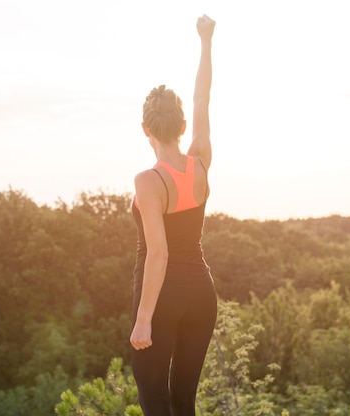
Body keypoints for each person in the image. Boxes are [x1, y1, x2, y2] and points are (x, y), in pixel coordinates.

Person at [129, 14, 217, 416]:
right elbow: (203, 97)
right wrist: (205, 40)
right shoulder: (200, 160)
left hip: (163, 297)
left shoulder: (148, 182)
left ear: (145, 129)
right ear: (182, 125)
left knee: (154, 398)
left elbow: (158, 254)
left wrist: (144, 318)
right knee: (185, 401)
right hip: (202, 292)